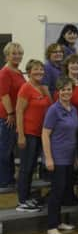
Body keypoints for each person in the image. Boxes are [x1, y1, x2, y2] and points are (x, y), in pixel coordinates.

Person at [42, 77, 78, 234]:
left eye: (69, 89)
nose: (66, 92)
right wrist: (48, 158)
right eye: (63, 89)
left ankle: (59, 222)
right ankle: (51, 226)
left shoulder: (74, 109)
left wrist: (76, 156)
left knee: (64, 191)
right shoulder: (53, 110)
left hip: (70, 157)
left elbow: (74, 135)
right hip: (57, 158)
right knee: (57, 192)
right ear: (58, 91)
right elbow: (45, 134)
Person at [15, 59, 51, 212]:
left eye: (41, 70)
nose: (39, 72)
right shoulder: (26, 88)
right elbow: (19, 111)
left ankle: (28, 197)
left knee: (32, 167)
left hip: (38, 134)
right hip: (28, 133)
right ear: (29, 72)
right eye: (35, 70)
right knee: (26, 168)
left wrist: (46, 90)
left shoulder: (42, 88)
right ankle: (22, 201)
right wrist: (21, 135)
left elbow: (49, 105)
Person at [0, 42, 26, 189]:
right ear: (7, 56)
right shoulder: (5, 72)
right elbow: (3, 94)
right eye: (14, 53)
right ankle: (4, 181)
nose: (17, 56)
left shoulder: (17, 71)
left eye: (19, 53)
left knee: (10, 150)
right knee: (5, 150)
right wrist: (10, 113)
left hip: (16, 115)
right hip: (7, 116)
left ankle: (8, 179)